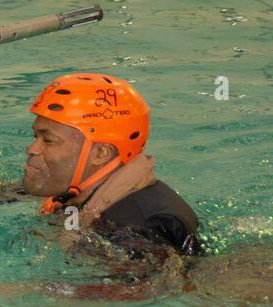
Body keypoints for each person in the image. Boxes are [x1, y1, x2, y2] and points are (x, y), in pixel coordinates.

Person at [23, 72, 199, 257]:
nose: (31, 149)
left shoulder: (134, 230)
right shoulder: (81, 192)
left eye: (48, 140)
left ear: (100, 153)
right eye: (36, 137)